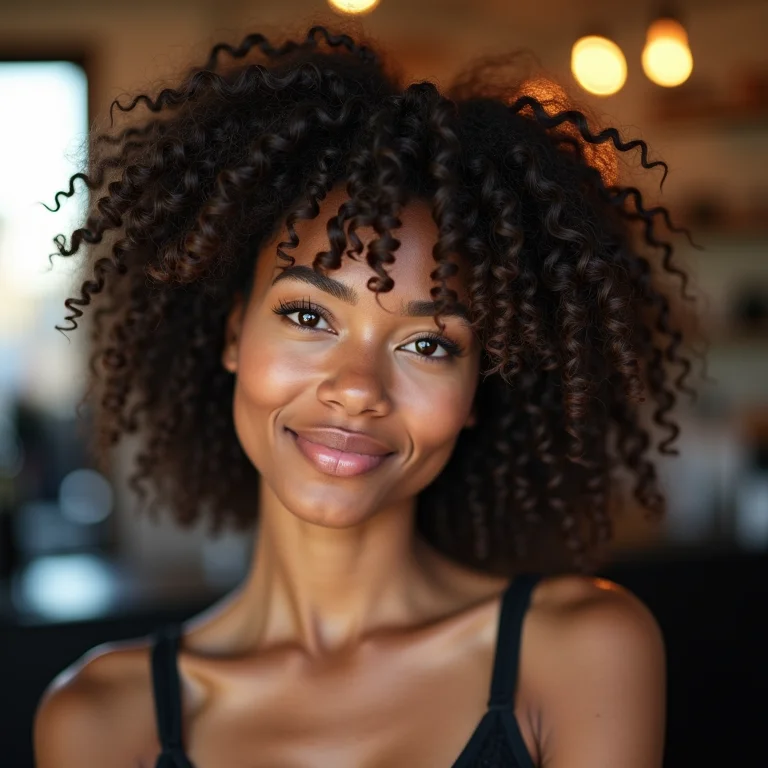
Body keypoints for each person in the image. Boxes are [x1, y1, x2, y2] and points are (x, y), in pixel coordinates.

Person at [32, 22, 699, 767]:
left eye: (429, 344)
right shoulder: (99, 721)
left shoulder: (581, 653)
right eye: (309, 315)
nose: (356, 389)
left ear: (479, 388)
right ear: (232, 336)